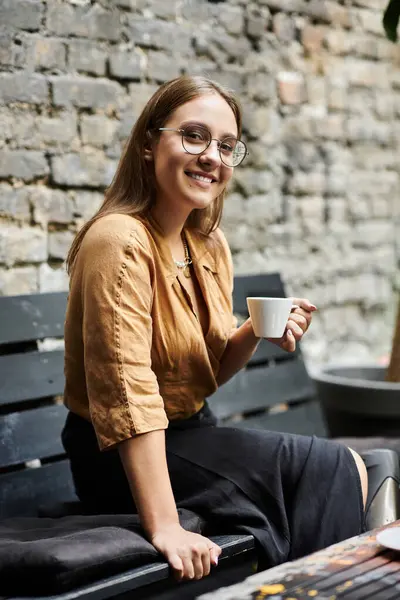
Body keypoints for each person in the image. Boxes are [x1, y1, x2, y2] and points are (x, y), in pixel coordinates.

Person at [62, 75, 368, 582]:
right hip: (117, 456)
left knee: (369, 465)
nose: (213, 157)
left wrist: (253, 331)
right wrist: (165, 525)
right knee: (332, 467)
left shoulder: (206, 243)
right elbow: (126, 392)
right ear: (147, 143)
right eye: (194, 136)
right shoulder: (118, 241)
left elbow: (204, 373)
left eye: (227, 146)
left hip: (188, 436)